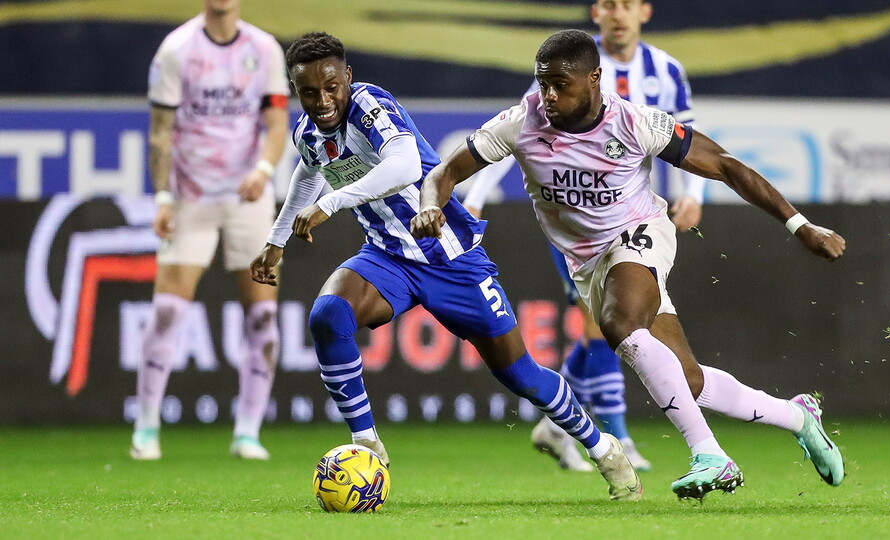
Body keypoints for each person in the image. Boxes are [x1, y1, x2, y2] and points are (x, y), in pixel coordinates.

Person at [411, 29, 846, 499]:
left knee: (620, 323)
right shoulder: (521, 123)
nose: (549, 96)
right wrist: (430, 204)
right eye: (543, 84)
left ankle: (710, 454)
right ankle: (800, 417)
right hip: (586, 262)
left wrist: (801, 226)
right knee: (689, 381)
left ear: (595, 79)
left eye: (561, 84)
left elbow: (725, 165)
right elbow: (444, 172)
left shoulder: (635, 122)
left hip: (639, 234)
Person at [249, 31, 642, 501]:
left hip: (450, 256)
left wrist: (331, 205)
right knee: (328, 316)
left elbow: (404, 165)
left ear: (348, 78)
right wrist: (275, 242)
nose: (323, 100)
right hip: (388, 257)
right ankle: (366, 445)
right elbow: (308, 170)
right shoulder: (309, 133)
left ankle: (603, 449)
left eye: (331, 87)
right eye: (309, 93)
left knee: (520, 375)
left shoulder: (370, 105)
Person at [462, 0, 703, 473]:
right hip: (580, 221)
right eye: (609, 5)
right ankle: (618, 435)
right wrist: (477, 195)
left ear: (644, 12)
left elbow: (686, 138)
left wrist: (692, 193)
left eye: (627, 5)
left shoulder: (665, 70)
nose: (618, 15)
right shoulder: (566, 64)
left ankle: (556, 426)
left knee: (613, 326)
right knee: (606, 325)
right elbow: (516, 132)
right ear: (596, 13)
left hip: (634, 218)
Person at [131, 0, 289, 461]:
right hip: (191, 197)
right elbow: (160, 131)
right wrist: (161, 197)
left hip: (248, 199)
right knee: (166, 312)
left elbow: (277, 124)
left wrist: (263, 168)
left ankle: (247, 432)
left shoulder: (264, 49)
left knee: (262, 318)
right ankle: (145, 428)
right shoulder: (176, 49)